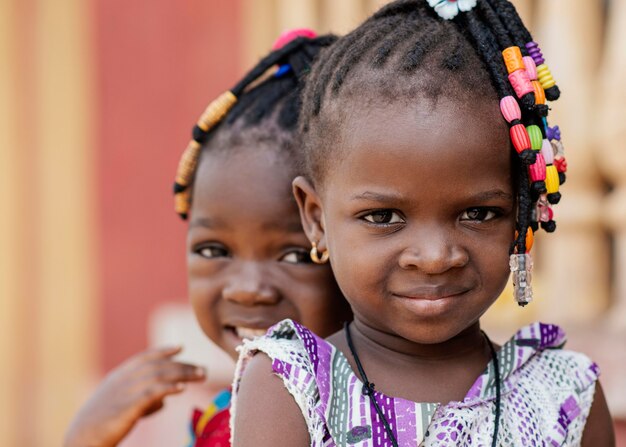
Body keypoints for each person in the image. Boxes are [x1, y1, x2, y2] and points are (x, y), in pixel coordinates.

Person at [231, 1, 615, 446]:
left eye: (478, 214)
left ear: (520, 213)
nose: (435, 257)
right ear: (316, 219)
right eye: (383, 217)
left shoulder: (563, 398)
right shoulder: (292, 386)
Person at [63, 30, 351, 447]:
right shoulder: (222, 414)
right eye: (214, 249)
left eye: (295, 255)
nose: (247, 290)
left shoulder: (371, 423)